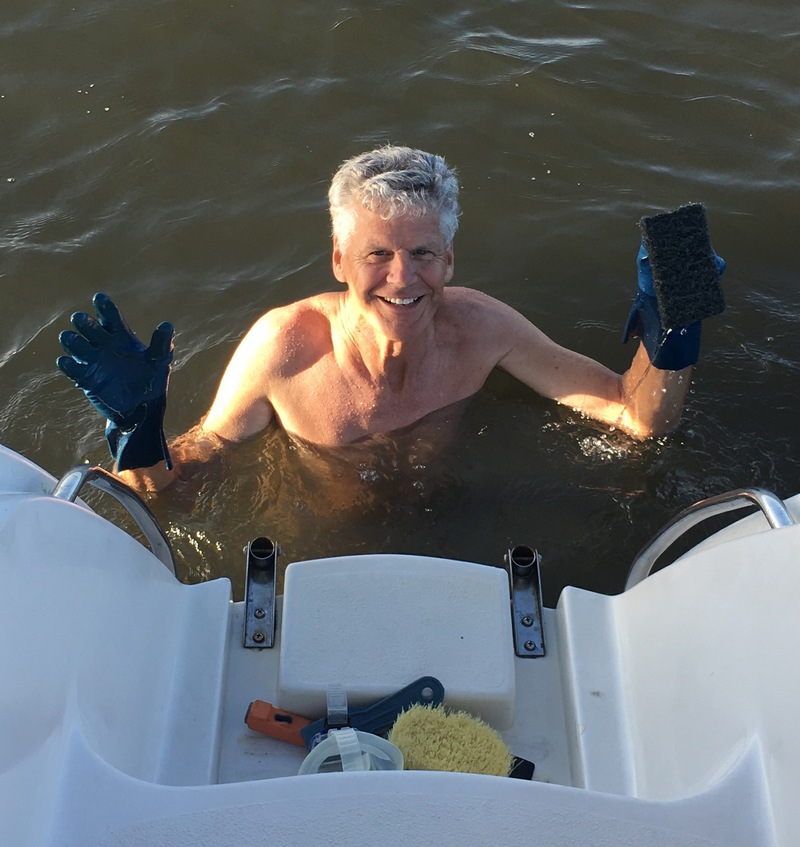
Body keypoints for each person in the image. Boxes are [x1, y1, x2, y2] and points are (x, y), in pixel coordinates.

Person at [57, 145, 722, 493]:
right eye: (378, 254)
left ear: (450, 259)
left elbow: (636, 419)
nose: (403, 278)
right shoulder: (285, 348)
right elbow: (180, 487)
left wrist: (672, 336)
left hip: (452, 521)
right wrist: (141, 436)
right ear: (339, 259)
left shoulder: (485, 330)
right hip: (315, 550)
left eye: (423, 254)